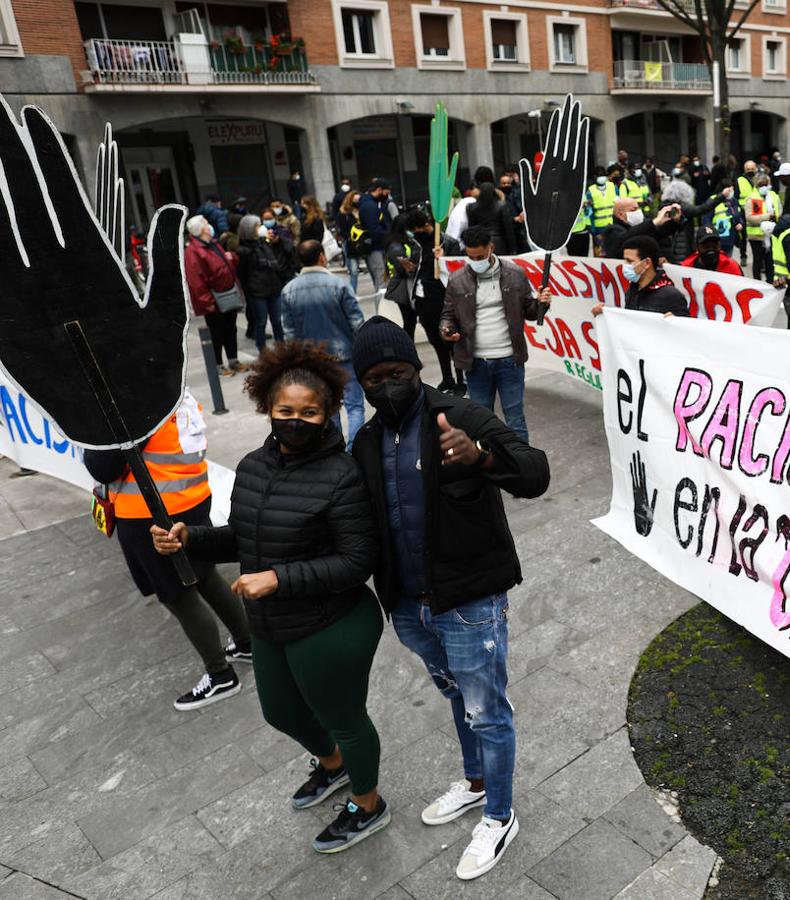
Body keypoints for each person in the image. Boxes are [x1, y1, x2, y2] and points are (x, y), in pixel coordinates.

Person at [150, 343, 388, 855]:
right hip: (270, 620)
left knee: (343, 717)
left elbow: (356, 562)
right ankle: (333, 767)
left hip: (332, 622)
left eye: (309, 413)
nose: (296, 421)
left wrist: (278, 579)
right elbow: (242, 537)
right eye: (286, 412)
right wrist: (189, 536)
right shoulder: (255, 465)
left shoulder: (341, 475)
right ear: (268, 409)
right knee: (280, 712)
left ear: (326, 416)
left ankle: (368, 804)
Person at [348, 318, 550, 881]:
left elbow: (535, 473)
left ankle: (500, 814)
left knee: (487, 710)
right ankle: (476, 781)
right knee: (458, 697)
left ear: (415, 369)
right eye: (374, 378)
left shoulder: (457, 415)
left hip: (470, 602)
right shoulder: (365, 442)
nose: (387, 385)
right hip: (410, 609)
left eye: (397, 372)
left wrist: (482, 456)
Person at [84, 394, 251, 712]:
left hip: (151, 513)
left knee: (177, 595)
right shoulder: (170, 384)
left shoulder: (124, 399)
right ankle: (248, 643)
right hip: (191, 499)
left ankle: (220, 675)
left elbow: (104, 465)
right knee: (204, 576)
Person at [440, 225, 552, 441]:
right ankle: (487, 466)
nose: (476, 261)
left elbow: (529, 311)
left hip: (509, 360)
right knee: (480, 421)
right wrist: (447, 330)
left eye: (480, 256)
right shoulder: (456, 280)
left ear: (491, 247)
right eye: (471, 257)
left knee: (515, 420)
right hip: (475, 363)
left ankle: (523, 467)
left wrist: (541, 303)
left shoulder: (515, 274)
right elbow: (447, 314)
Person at [280, 239, 367, 446]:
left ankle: (335, 448)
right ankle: (354, 448)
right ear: (322, 256)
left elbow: (289, 333)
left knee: (329, 408)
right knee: (355, 406)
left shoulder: (288, 291)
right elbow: (357, 323)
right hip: (345, 355)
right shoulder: (339, 285)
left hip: (313, 361)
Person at [386, 209, 461, 393]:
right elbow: (415, 267)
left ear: (425, 225)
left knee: (449, 342)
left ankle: (460, 380)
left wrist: (442, 259)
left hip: (442, 300)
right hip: (422, 300)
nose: (415, 233)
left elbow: (456, 268)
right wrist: (408, 266)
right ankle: (447, 378)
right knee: (435, 341)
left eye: (417, 229)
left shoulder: (446, 242)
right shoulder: (417, 244)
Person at [184, 214, 245, 376]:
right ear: (201, 229)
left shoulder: (214, 244)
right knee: (216, 334)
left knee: (230, 329)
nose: (209, 226)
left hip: (228, 294)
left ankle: (233, 360)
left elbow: (224, 264)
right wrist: (208, 302)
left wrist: (232, 258)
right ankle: (218, 364)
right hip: (214, 300)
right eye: (206, 223)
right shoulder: (193, 251)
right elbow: (196, 281)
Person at [591, 234, 687, 317]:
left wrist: (675, 321)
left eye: (630, 261)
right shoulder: (631, 291)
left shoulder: (671, 295)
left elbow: (686, 330)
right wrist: (604, 315)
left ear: (647, 263)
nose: (625, 265)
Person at [236, 213, 289, 353]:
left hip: (273, 288)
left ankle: (281, 347)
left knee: (277, 321)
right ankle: (262, 349)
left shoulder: (264, 243)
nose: (261, 228)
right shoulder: (244, 250)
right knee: (261, 323)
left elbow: (275, 262)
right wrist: (249, 291)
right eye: (257, 226)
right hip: (257, 292)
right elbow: (242, 274)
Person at [601, 197, 680, 260]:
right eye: (634, 210)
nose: (638, 212)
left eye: (638, 209)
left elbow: (659, 234)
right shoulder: (611, 231)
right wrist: (654, 222)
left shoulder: (642, 226)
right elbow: (626, 238)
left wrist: (674, 221)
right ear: (620, 215)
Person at [744, 174, 782, 281]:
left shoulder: (774, 196)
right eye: (761, 185)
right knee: (758, 261)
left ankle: (770, 282)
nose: (764, 187)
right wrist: (767, 216)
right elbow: (749, 217)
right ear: (757, 185)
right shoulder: (752, 198)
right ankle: (757, 283)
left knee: (770, 261)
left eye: (766, 184)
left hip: (771, 234)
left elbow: (780, 210)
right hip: (756, 236)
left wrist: (775, 217)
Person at [465, 180, 519, 255]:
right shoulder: (501, 206)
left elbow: (471, 228)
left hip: (480, 243)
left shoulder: (471, 207)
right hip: (499, 243)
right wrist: (513, 249)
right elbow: (508, 229)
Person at [358, 180, 393, 291]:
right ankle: (381, 308)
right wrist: (389, 234)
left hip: (375, 248)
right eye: (386, 193)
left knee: (380, 282)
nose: (387, 196)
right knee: (381, 284)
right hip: (375, 248)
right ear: (379, 190)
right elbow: (375, 230)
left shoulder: (369, 204)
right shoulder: (369, 206)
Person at [337, 190, 364, 294]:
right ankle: (352, 292)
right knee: (353, 269)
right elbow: (342, 228)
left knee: (355, 268)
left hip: (362, 241)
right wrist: (348, 238)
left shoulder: (361, 210)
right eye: (355, 199)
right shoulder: (344, 212)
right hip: (350, 242)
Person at [586, 168, 618, 254]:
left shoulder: (612, 187)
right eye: (599, 175)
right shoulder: (590, 191)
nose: (602, 177)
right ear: (595, 177)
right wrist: (592, 229)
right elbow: (589, 213)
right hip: (599, 228)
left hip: (613, 225)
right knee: (601, 253)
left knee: (614, 251)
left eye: (603, 175)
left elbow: (619, 204)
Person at [260, 205, 297, 275]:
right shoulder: (260, 233)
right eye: (265, 219)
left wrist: (279, 240)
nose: (268, 221)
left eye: (270, 218)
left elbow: (290, 248)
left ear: (275, 218)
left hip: (284, 268)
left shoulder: (283, 230)